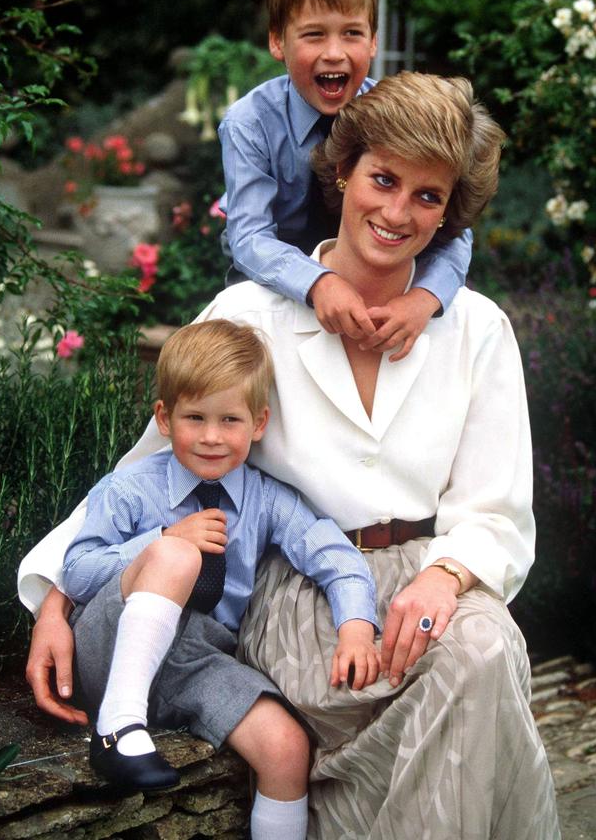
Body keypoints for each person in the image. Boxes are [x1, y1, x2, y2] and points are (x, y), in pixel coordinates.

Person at [20, 72, 560, 839]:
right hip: (303, 593)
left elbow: (498, 506)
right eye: (383, 179)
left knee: (484, 645)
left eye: (428, 197)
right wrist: (54, 595)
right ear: (344, 171)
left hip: (427, 586)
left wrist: (446, 575)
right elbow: (153, 464)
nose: (398, 212)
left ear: (451, 213)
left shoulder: (477, 329)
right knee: (476, 674)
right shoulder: (251, 315)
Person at [59, 319, 379, 837]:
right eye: (195, 417)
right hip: (111, 646)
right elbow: (75, 573)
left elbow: (335, 556)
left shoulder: (267, 498)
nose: (211, 436)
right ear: (164, 418)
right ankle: (117, 729)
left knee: (286, 746)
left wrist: (357, 626)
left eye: (229, 419)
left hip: (196, 659)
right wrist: (162, 537)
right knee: (176, 557)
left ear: (258, 423)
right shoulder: (131, 488)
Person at [218, 0, 473, 362]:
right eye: (314, 34)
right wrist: (318, 281)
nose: (334, 52)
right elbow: (249, 239)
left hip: (376, 283)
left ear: (373, 42)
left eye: (352, 34)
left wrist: (425, 298)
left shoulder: (393, 115)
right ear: (278, 43)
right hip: (271, 284)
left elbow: (455, 226)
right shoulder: (250, 123)